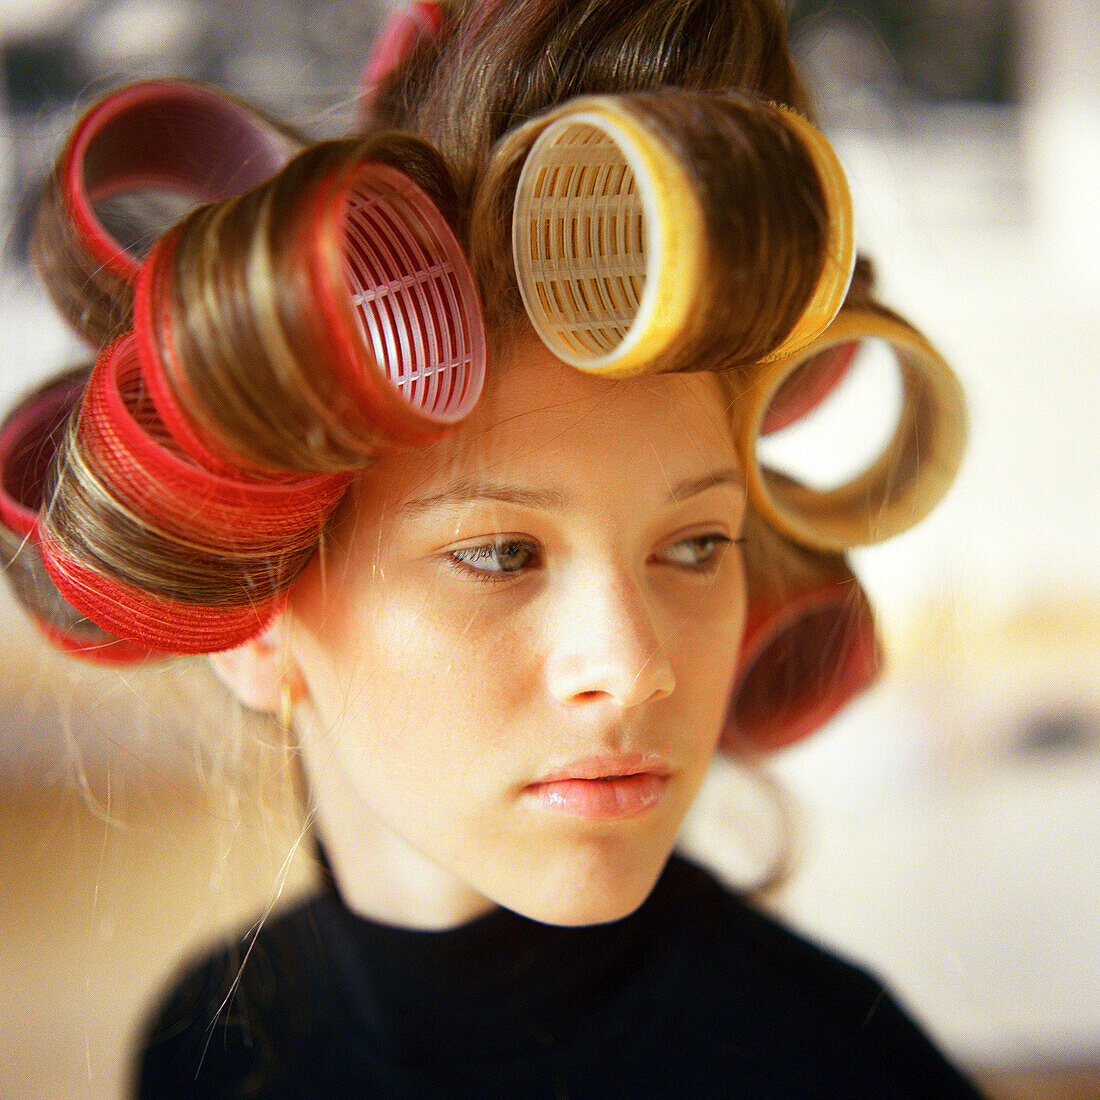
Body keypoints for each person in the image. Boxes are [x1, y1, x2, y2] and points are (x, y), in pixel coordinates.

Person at [0, 0, 983, 1095]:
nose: (633, 664)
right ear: (261, 615)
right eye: (502, 553)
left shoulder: (834, 1071)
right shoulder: (200, 1046)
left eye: (698, 542)